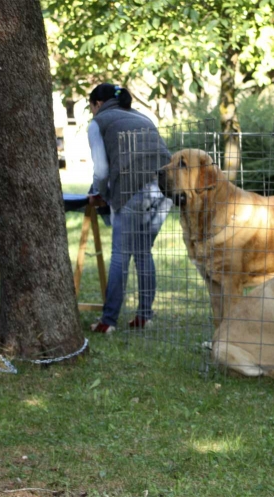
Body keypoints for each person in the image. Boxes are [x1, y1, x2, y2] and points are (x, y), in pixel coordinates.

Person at [87, 83, 172, 333]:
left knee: (120, 256)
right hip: (166, 188)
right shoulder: (142, 116)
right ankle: (144, 316)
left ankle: (108, 321)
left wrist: (99, 193)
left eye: (91, 107)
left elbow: (101, 170)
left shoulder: (98, 123)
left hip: (133, 190)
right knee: (143, 251)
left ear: (98, 104)